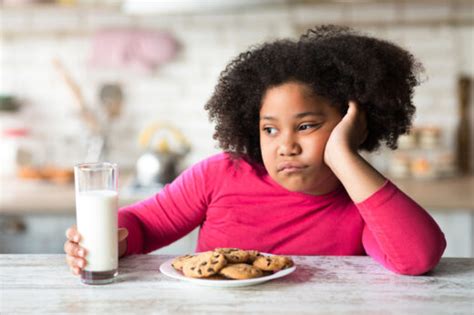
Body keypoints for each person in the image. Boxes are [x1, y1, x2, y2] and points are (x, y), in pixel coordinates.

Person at [65, 25, 446, 276]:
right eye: (270, 129)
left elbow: (417, 258)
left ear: (353, 122)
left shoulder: (363, 201)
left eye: (307, 126)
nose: (287, 145)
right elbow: (143, 226)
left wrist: (345, 158)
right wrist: (109, 238)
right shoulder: (219, 175)